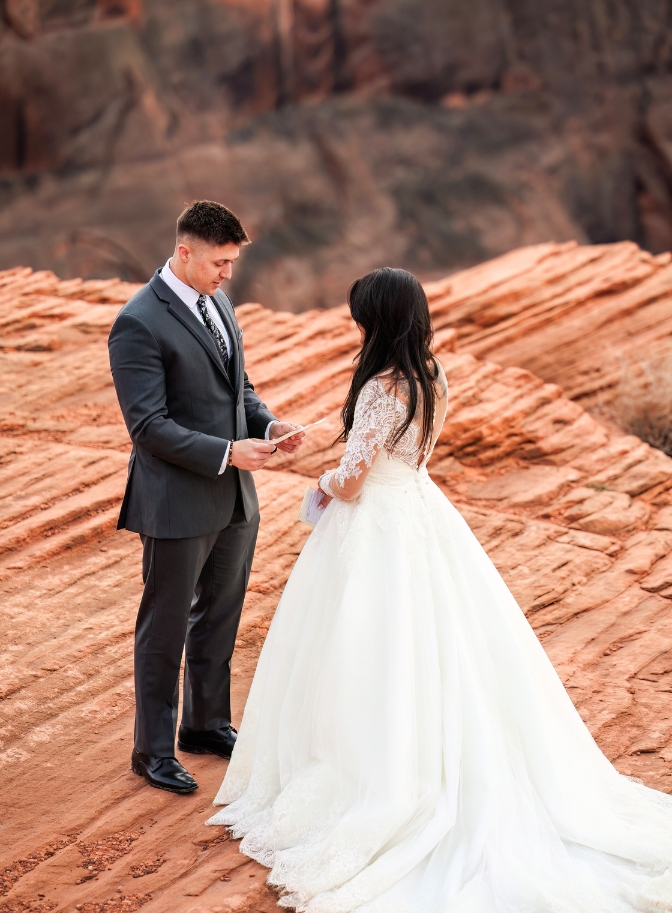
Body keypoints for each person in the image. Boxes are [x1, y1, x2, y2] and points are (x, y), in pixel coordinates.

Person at [207, 267, 672, 912]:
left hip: (374, 527)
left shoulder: (379, 385)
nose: (356, 326)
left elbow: (353, 480)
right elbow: (397, 450)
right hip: (422, 512)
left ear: (378, 320)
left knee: (367, 650)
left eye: (361, 317)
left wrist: (318, 480)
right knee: (439, 646)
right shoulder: (431, 374)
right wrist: (311, 440)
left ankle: (375, 775)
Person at [108, 200, 304, 795]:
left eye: (232, 263)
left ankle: (205, 724)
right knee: (164, 628)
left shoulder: (218, 300)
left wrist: (267, 427)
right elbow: (147, 426)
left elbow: (236, 387)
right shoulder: (138, 322)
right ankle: (152, 752)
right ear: (185, 252)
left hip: (236, 498)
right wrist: (226, 452)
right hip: (175, 501)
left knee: (220, 616)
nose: (227, 274)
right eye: (219, 262)